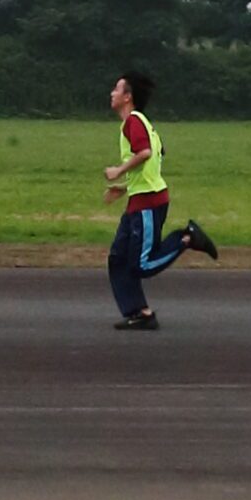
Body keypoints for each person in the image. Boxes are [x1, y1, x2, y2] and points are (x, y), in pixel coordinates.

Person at [104, 68, 217, 330]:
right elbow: (154, 158)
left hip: (148, 204)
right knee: (118, 259)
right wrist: (125, 186)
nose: (112, 93)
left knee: (141, 263)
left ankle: (188, 239)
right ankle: (140, 313)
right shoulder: (141, 122)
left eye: (117, 89)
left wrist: (118, 171)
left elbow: (144, 153)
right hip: (139, 200)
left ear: (128, 97)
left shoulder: (134, 122)